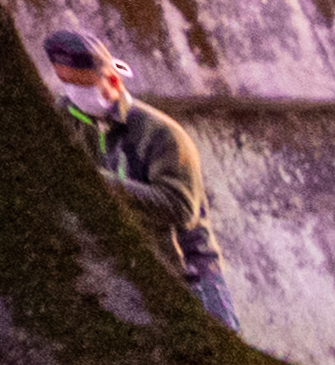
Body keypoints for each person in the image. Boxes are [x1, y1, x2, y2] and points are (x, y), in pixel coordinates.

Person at [40, 26, 237, 333]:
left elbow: (180, 208)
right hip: (127, 277)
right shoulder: (63, 119)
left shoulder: (160, 134)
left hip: (189, 275)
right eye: (68, 84)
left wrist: (97, 182)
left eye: (85, 86)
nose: (77, 95)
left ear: (114, 80)